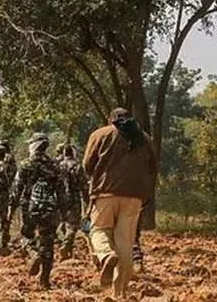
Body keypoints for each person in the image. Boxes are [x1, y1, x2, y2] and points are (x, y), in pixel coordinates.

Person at [83, 108, 157, 299]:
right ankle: (120, 293)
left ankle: (106, 255)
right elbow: (152, 167)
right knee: (125, 243)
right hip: (134, 197)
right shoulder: (144, 138)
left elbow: (87, 165)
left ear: (111, 120)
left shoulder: (100, 134)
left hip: (105, 193)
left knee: (98, 231)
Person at [9, 132, 66, 289]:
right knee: (48, 243)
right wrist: (64, 212)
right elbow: (61, 191)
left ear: (33, 145)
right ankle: (45, 280)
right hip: (50, 208)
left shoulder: (26, 164)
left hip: (30, 208)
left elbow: (16, 189)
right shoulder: (54, 166)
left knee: (26, 236)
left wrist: (11, 209)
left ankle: (34, 253)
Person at [56, 143, 89, 260]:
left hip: (60, 198)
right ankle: (66, 245)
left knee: (62, 223)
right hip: (74, 198)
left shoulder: (58, 166)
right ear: (73, 153)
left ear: (64, 153)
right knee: (73, 225)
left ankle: (66, 249)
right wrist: (87, 200)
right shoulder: (77, 166)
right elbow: (84, 186)